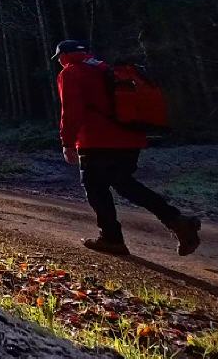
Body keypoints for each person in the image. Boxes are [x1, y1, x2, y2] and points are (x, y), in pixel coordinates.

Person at [53, 39, 201, 256]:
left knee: (95, 187)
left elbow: (71, 111)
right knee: (125, 184)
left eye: (59, 59)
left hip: (97, 141)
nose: (59, 62)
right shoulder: (104, 68)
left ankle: (111, 238)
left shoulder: (71, 72)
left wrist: (67, 142)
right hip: (130, 137)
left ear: (64, 56)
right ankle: (177, 221)